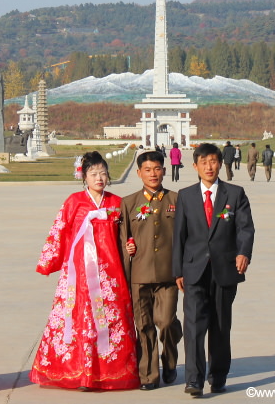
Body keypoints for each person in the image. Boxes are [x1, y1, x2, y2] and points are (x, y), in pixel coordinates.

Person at [30, 151, 139, 391]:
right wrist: (48, 262)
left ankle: (109, 372)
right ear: (84, 176)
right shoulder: (74, 201)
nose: (99, 178)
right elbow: (59, 231)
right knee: (77, 318)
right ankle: (76, 371)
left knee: (109, 320)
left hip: (110, 273)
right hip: (77, 274)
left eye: (102, 173)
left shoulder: (117, 203)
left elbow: (126, 235)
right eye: (93, 173)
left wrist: (131, 245)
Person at [173, 143, 255, 397]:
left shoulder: (235, 193)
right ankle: (194, 380)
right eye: (204, 162)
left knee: (220, 326)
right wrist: (178, 271)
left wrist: (244, 252)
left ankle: (218, 376)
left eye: (213, 161)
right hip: (194, 270)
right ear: (195, 166)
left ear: (220, 163)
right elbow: (180, 237)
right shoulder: (185, 196)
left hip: (224, 269)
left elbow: (245, 228)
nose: (209, 167)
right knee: (194, 327)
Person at [119, 151, 183, 391]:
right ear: (139, 173)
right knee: (144, 326)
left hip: (169, 275)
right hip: (139, 274)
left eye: (157, 169)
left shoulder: (177, 200)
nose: (153, 174)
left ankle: (170, 360)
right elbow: (123, 238)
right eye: (148, 169)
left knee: (166, 322)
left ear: (164, 171)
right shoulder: (129, 203)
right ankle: (148, 375)